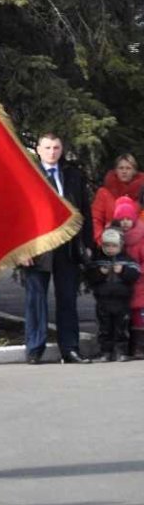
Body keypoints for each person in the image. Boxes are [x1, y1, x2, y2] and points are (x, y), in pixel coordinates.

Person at [21, 132, 93, 364]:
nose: (52, 152)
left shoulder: (73, 176)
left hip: (68, 247)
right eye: (48, 148)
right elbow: (18, 215)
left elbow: (85, 212)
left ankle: (70, 349)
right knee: (36, 299)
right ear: (38, 150)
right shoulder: (28, 175)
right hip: (38, 248)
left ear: (61, 150)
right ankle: (34, 348)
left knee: (67, 299)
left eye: (56, 148)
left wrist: (88, 244)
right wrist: (21, 249)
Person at [84, 226, 139, 361]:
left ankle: (121, 351)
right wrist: (100, 273)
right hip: (103, 300)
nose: (110, 249)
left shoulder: (127, 260)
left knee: (122, 328)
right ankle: (105, 352)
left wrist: (123, 271)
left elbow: (134, 275)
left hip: (122, 301)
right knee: (105, 328)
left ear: (120, 245)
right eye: (107, 245)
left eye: (114, 246)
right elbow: (90, 277)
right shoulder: (98, 260)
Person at [109, 196, 144, 359]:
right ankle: (123, 346)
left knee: (138, 316)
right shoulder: (111, 238)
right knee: (122, 316)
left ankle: (137, 347)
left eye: (128, 219)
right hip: (119, 284)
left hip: (138, 283)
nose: (125, 222)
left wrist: (136, 272)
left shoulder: (140, 239)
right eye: (121, 219)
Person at [91, 154, 144, 245]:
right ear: (116, 170)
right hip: (110, 244)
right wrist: (101, 240)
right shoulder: (104, 193)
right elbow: (95, 219)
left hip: (138, 245)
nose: (124, 171)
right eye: (121, 168)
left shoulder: (142, 192)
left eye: (128, 168)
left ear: (134, 171)